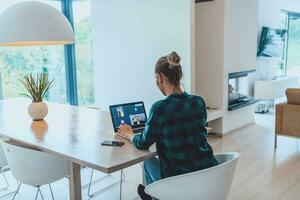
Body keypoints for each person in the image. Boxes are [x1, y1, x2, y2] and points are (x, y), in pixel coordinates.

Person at [117, 51, 218, 199]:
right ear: (179, 77)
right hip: (209, 176)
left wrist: (129, 134)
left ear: (159, 77)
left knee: (147, 160)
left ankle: (153, 196)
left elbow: (143, 143)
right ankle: (150, 195)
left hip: (179, 183)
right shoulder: (199, 102)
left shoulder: (160, 108)